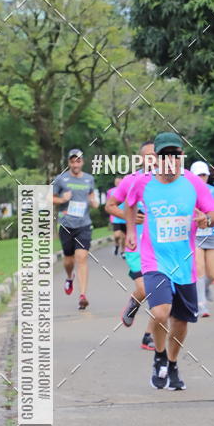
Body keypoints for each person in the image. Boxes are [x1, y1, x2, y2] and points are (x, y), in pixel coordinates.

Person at [125, 132, 214, 390]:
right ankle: (159, 355)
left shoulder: (193, 183)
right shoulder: (143, 182)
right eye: (164, 155)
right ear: (156, 159)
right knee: (160, 312)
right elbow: (129, 204)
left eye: (175, 155)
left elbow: (213, 212)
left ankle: (173, 362)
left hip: (185, 263)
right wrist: (132, 231)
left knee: (180, 321)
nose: (170, 160)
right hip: (155, 261)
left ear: (181, 157)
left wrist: (207, 219)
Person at [105, 142, 156, 350]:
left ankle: (148, 336)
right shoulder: (131, 181)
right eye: (149, 156)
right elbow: (110, 206)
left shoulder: (170, 182)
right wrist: (131, 218)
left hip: (162, 248)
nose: (153, 160)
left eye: (156, 155)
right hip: (136, 246)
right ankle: (134, 302)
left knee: (160, 294)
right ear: (141, 159)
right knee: (146, 288)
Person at [52, 149, 99, 310]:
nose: (75, 164)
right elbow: (49, 197)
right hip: (66, 224)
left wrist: (94, 202)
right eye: (72, 161)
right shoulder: (61, 179)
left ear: (82, 162)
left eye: (78, 161)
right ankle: (69, 277)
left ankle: (83, 295)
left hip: (84, 224)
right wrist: (61, 199)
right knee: (69, 260)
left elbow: (92, 196)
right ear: (69, 163)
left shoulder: (89, 179)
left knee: (82, 257)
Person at [190, 160, 214, 318]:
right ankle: (201, 305)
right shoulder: (187, 191)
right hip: (195, 237)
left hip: (213, 235)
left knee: (213, 273)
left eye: (204, 175)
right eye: (198, 175)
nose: (201, 178)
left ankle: (204, 288)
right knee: (199, 269)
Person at [107, 176, 126, 256]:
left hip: (125, 216)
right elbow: (108, 205)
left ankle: (123, 251)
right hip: (116, 217)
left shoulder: (126, 189)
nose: (118, 184)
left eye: (120, 182)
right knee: (117, 235)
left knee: (124, 236)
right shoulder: (110, 191)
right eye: (117, 182)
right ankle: (116, 244)